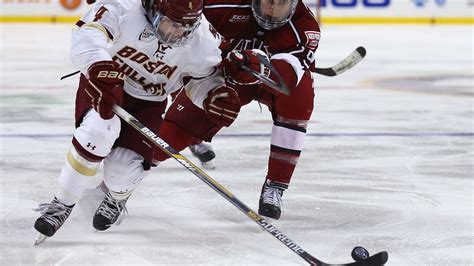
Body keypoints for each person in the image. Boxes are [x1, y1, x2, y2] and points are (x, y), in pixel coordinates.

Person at [33, 0, 242, 241]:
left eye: (185, 28)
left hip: (149, 103)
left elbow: (202, 79)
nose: (178, 33)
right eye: (171, 24)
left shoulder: (202, 36)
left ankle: (117, 197)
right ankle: (62, 203)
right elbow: (88, 33)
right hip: (106, 84)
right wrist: (98, 66)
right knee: (97, 133)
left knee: (123, 172)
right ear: (154, 10)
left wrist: (213, 96)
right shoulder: (123, 6)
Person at [153, 0, 321, 220]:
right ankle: (121, 185)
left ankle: (276, 185)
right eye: (268, 2)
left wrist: (261, 68)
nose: (272, 11)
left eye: (281, 4)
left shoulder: (304, 27)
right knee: (171, 134)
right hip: (221, 78)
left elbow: (287, 79)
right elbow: (183, 39)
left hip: (267, 83)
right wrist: (197, 79)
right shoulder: (219, 5)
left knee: (300, 95)